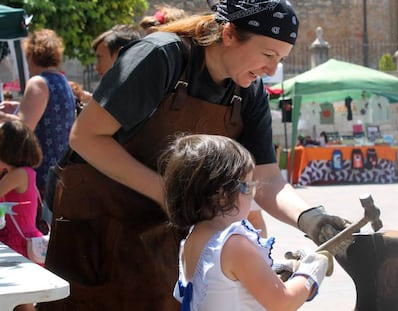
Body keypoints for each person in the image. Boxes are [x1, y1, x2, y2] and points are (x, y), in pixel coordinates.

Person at [40, 1, 348, 310]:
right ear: (229, 34)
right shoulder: (160, 57)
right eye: (268, 55)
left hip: (159, 233)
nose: (271, 69)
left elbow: (267, 176)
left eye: (280, 59)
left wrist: (309, 219)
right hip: (96, 225)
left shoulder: (249, 91)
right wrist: (169, 194)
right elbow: (85, 137)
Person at [159, 134, 333, 310]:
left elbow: (228, 287)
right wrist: (312, 270)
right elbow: (283, 302)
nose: (252, 196)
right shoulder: (234, 244)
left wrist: (277, 270)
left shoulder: (193, 240)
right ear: (223, 195)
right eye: (248, 187)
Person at [0, 29, 76, 197]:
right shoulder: (61, 80)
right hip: (59, 172)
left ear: (32, 55)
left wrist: (3, 117)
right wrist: (17, 107)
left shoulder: (38, 82)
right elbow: (47, 115)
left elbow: (22, 130)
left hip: (39, 176)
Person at [0, 120, 44, 311]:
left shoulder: (17, 175)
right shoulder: (27, 173)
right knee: (20, 301)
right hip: (26, 239)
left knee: (21, 302)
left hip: (16, 242)